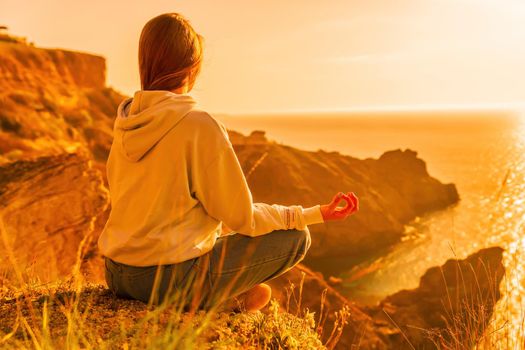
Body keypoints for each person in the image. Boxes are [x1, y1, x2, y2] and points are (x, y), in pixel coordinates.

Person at [98, 12, 359, 313]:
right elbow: (242, 218)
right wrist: (314, 214)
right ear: (192, 68)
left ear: (145, 62)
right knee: (296, 238)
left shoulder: (126, 122)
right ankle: (216, 301)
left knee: (217, 245)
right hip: (166, 282)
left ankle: (220, 297)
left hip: (117, 275)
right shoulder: (197, 125)